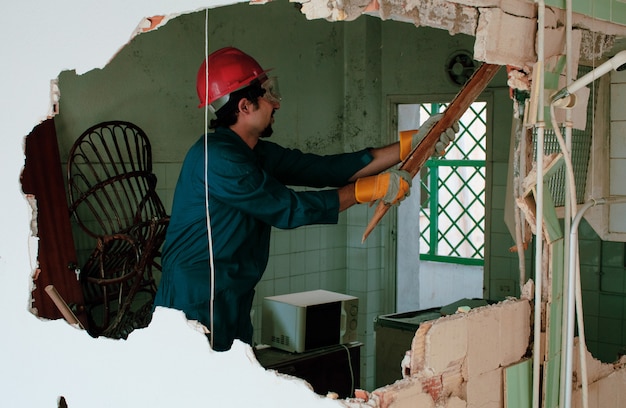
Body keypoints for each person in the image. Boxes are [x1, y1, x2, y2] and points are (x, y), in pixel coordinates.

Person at [153, 47, 458, 351]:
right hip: (194, 299)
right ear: (245, 105)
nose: (276, 104)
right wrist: (367, 189)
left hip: (230, 292)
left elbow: (324, 169)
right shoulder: (218, 157)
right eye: (268, 95)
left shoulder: (252, 151)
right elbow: (288, 209)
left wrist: (413, 143)